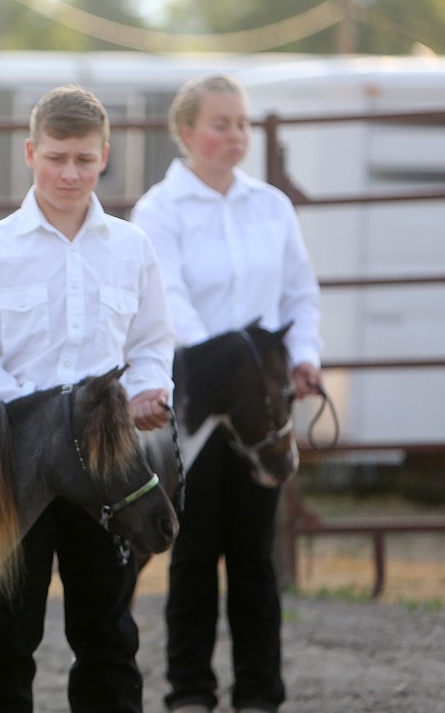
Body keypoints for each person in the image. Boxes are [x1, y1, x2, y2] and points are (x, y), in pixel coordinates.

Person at [0, 84, 175, 713]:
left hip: (107, 469)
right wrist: (51, 424)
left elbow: (154, 341)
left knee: (107, 631)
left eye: (83, 158)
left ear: (104, 155)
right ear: (30, 152)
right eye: (56, 157)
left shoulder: (133, 250)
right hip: (12, 468)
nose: (69, 173)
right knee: (6, 633)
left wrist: (149, 389)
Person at [130, 73, 323, 713]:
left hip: (262, 408)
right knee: (195, 549)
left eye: (241, 123)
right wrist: (233, 365)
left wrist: (304, 359)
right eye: (222, 123)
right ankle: (190, 689)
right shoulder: (160, 210)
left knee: (255, 552)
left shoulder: (271, 205)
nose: (236, 135)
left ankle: (260, 692)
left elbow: (300, 292)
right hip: (199, 409)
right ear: (186, 132)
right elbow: (170, 301)